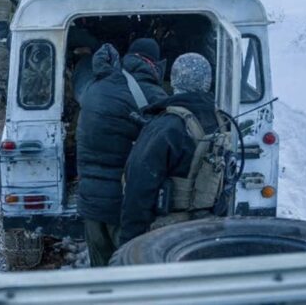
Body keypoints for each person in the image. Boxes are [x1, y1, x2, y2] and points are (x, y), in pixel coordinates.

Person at [73, 40, 167, 267]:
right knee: (129, 271)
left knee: (102, 272)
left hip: (90, 201)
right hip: (124, 206)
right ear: (154, 64)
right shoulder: (153, 95)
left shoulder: (96, 86)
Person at [119, 53, 228, 246]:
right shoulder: (219, 119)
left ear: (175, 79)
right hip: (207, 228)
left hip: (168, 233)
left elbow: (138, 187)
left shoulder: (168, 126)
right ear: (208, 82)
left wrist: (129, 242)